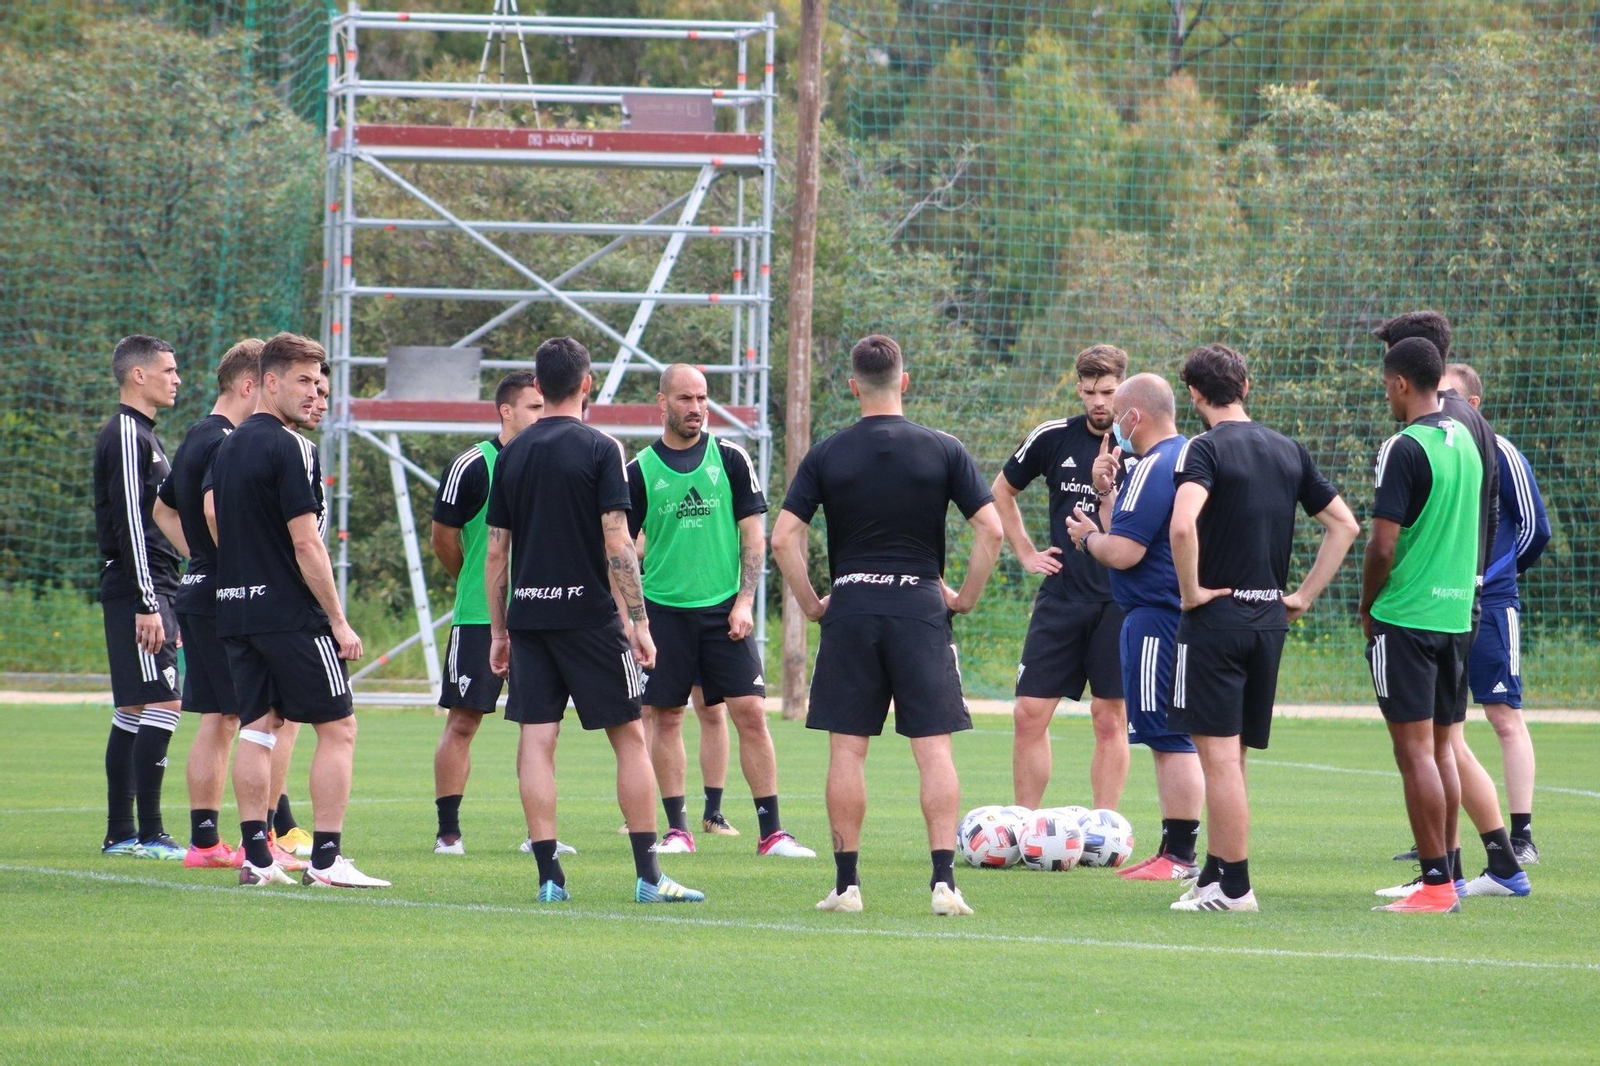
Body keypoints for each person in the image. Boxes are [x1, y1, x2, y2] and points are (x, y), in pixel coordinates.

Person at [771, 334, 1004, 917]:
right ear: (904, 381)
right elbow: (993, 531)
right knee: (933, 750)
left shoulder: (826, 453)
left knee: (847, 752)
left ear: (853, 386)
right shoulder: (943, 449)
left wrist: (813, 602)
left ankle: (847, 886)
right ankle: (944, 883)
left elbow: (782, 538)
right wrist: (964, 598)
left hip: (851, 609)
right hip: (920, 608)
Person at [485, 336, 702, 904]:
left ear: (539, 385)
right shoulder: (602, 447)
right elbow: (617, 542)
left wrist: (500, 631)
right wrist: (639, 622)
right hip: (588, 617)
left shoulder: (511, 454)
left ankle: (550, 880)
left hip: (529, 617)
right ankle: (650, 877)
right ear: (587, 384)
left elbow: (495, 553)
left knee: (537, 741)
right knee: (630, 737)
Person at [1167, 344, 1358, 912]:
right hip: (1267, 622)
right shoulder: (1287, 449)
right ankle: (1213, 875)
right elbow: (1344, 525)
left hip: (1217, 622)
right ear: (1245, 385)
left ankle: (1236, 887)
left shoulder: (1202, 449)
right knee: (1234, 757)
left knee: (1219, 759)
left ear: (1196, 396)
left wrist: (1191, 591)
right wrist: (1301, 596)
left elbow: (1182, 528)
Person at [210, 332, 387, 889]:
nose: (317, 395)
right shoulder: (293, 448)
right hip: (289, 614)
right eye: (305, 382)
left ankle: (257, 860)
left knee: (259, 730)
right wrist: (337, 618)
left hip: (237, 611)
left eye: (322, 386)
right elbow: (307, 543)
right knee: (340, 729)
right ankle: (327, 859)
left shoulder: (229, 444)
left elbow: (211, 513)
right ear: (268, 382)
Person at [1360, 338, 1528, 911]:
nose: (1386, 393)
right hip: (1459, 615)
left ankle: (1434, 883)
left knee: (1415, 756)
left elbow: (1382, 544)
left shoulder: (1405, 446)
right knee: (1441, 749)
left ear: (1402, 383)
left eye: (1386, 383)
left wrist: (1367, 606)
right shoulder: (1473, 441)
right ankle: (1450, 876)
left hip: (1407, 616)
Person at [628, 363, 812, 858]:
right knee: (665, 717)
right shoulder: (639, 469)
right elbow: (621, 548)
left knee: (750, 713)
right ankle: (677, 831)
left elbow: (755, 535)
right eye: (686, 399)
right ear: (662, 402)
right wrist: (634, 616)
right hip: (664, 612)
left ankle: (772, 833)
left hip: (723, 611)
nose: (696, 409)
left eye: (703, 399)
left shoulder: (731, 459)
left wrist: (745, 600)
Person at [1063, 373, 1203, 880]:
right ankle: (1179, 852)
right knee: (1175, 733)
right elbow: (1130, 527)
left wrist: (1085, 538)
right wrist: (1108, 492)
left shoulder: (1153, 464)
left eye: (1118, 413)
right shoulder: (1189, 455)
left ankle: (1179, 855)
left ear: (1134, 417)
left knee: (1168, 737)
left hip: (1155, 617)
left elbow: (1122, 550)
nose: (1112, 424)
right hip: (1181, 614)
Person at [993, 345, 1130, 810]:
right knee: (1028, 713)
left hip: (1120, 602)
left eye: (1108, 391)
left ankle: (1104, 829)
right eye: (1090, 391)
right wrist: (1026, 551)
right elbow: (1001, 490)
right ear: (1078, 388)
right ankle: (1025, 825)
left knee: (1108, 719)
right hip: (1061, 597)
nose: (1098, 401)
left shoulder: (1144, 446)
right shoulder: (1052, 437)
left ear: (1122, 390)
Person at [151, 339, 261, 868]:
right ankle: (254, 843)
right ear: (248, 385)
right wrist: (233, 564)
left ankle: (204, 842)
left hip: (199, 590)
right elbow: (216, 510)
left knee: (220, 718)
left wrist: (198, 557)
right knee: (254, 717)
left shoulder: (197, 432)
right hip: (225, 596)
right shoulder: (228, 442)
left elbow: (162, 508)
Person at [429, 371, 544, 854]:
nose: (542, 414)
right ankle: (448, 831)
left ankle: (539, 834)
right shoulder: (473, 464)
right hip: (480, 616)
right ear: (507, 410)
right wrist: (478, 584)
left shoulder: (550, 461)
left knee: (538, 725)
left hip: (541, 615)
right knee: (464, 721)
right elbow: (443, 539)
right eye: (534, 407)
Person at [1441, 363, 1550, 864]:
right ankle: (1445, 835)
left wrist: (1493, 579)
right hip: (1442, 604)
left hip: (1491, 603)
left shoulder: (1501, 451)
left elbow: (1534, 529)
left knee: (1504, 717)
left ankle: (1521, 837)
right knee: (1443, 724)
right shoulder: (1437, 452)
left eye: (1451, 395)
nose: (1441, 403)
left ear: (1475, 404)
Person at [93, 335, 185, 859]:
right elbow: (132, 518)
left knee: (132, 706)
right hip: (140, 587)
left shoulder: (142, 435)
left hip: (144, 583)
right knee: (166, 701)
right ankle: (149, 833)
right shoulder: (128, 433)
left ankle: (120, 832)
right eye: (168, 370)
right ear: (139, 376)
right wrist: (149, 602)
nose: (176, 379)